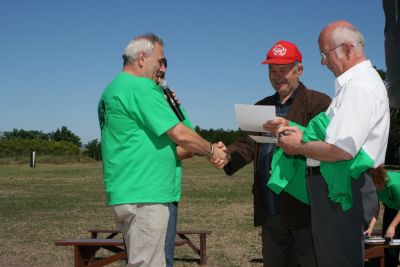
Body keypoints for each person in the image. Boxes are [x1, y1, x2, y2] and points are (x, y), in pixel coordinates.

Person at [97, 33, 225, 267]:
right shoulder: (141, 88)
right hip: (147, 195)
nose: (162, 67)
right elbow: (181, 135)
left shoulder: (113, 89)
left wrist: (173, 106)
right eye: (160, 61)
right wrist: (212, 151)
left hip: (127, 191)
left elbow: (166, 147)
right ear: (142, 58)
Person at [270, 21, 390, 267]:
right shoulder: (358, 85)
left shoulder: (358, 87)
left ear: (346, 49)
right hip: (341, 187)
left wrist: (298, 146)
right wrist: (297, 130)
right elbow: (334, 138)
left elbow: (341, 150)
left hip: (343, 189)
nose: (323, 62)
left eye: (325, 54)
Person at [211, 40, 331, 267]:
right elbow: (248, 144)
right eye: (272, 70)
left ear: (299, 70)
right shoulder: (262, 106)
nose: (277, 76)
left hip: (306, 211)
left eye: (283, 70)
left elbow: (326, 146)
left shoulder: (319, 103)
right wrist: (227, 155)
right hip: (271, 210)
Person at [155, 58, 192, 267]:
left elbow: (189, 143)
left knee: (165, 259)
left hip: (169, 193)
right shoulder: (139, 101)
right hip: (145, 195)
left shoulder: (171, 104)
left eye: (163, 75)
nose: (161, 78)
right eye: (157, 73)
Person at [365, 169, 400, 267]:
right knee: (388, 243)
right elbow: (377, 207)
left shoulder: (394, 185)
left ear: (378, 181)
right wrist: (371, 226)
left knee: (393, 235)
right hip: (392, 208)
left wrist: (392, 226)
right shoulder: (375, 186)